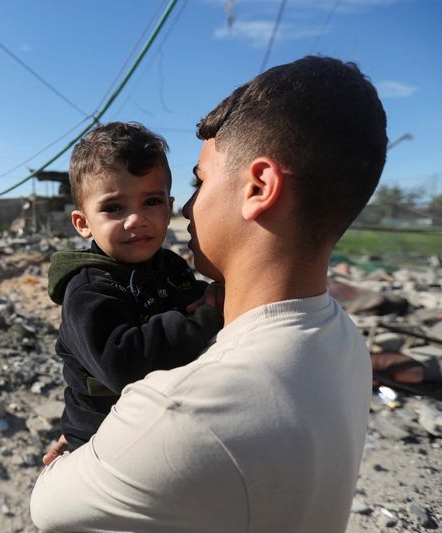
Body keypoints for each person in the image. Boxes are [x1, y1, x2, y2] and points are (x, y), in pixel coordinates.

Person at [31, 56, 387, 532]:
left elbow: (49, 507)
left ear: (259, 186)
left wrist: (75, 461)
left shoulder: (182, 415)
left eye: (198, 183)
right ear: (83, 223)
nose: (186, 211)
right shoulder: (343, 341)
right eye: (115, 207)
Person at [44, 121, 223, 462]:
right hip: (103, 438)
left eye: (151, 201)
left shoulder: (170, 266)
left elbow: (189, 299)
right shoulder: (88, 289)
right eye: (113, 207)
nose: (136, 219)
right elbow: (122, 363)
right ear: (83, 224)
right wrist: (206, 318)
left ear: (169, 207)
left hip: (155, 423)